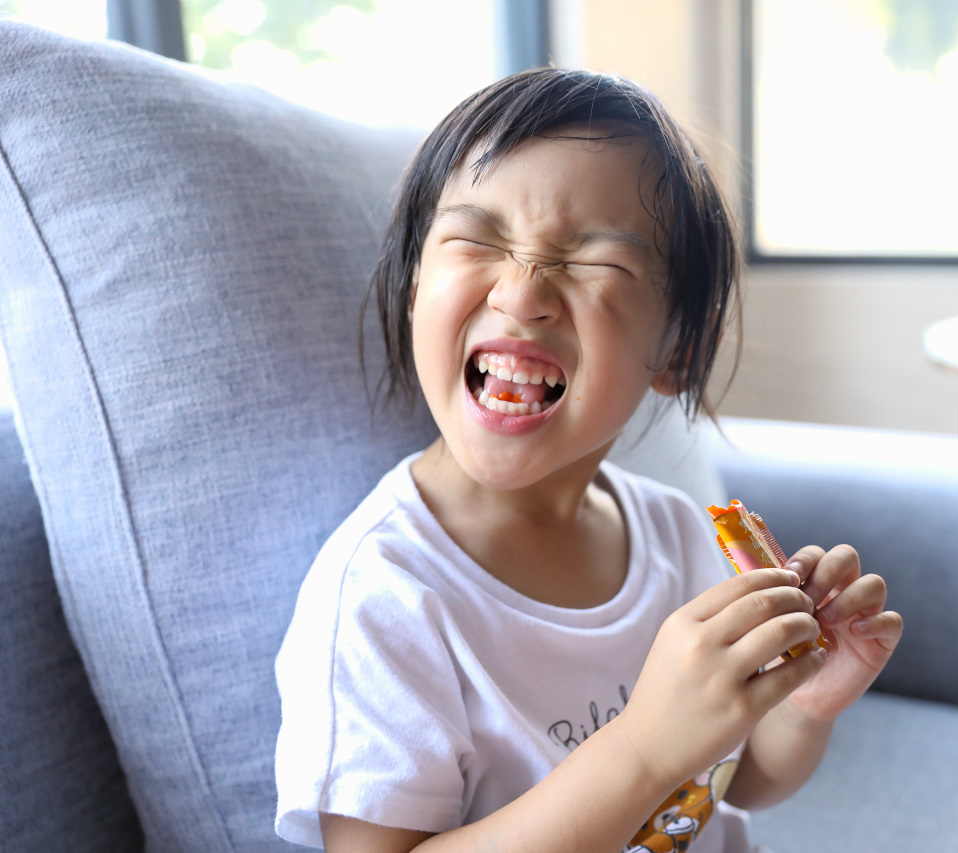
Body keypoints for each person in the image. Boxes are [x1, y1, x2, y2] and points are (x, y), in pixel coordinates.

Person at [274, 68, 902, 853]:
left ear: (677, 350)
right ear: (411, 290)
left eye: (593, 262)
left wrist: (801, 704)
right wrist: (644, 745)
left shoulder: (679, 536)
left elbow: (737, 781)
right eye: (476, 238)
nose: (522, 291)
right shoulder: (385, 593)